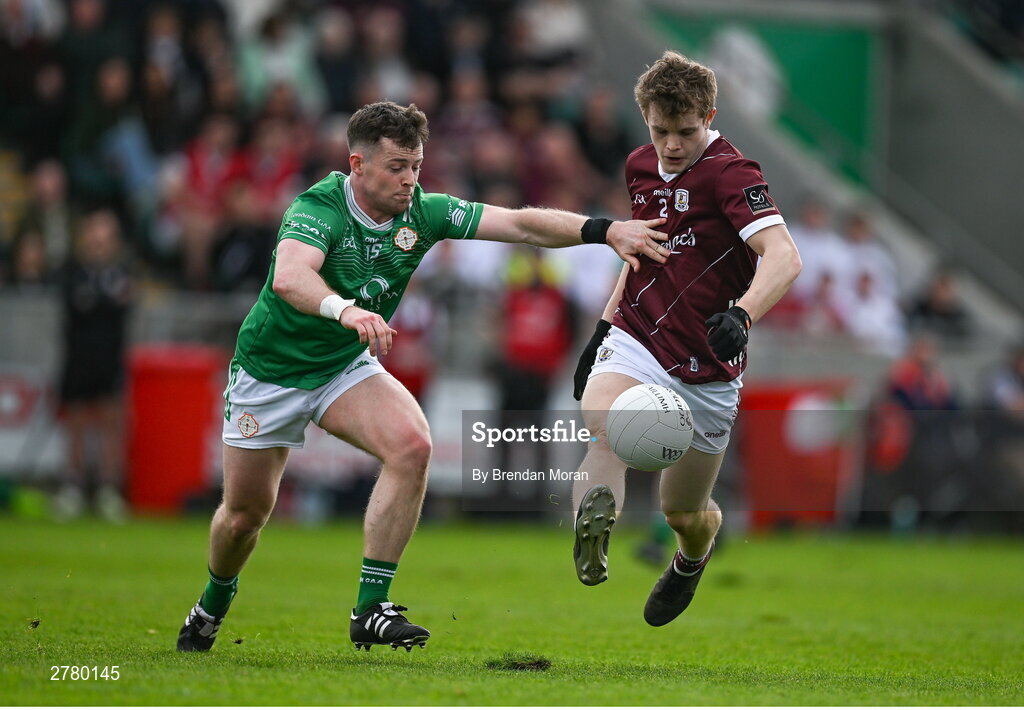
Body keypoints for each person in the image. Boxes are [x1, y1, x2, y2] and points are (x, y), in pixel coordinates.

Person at [176, 100, 670, 653]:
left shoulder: (423, 211)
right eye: (396, 168)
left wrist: (605, 231)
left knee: (412, 446)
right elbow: (291, 277)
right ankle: (211, 604)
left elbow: (520, 223)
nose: (410, 180)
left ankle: (371, 608)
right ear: (357, 164)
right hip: (271, 373)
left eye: (416, 165)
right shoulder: (317, 208)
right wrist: (346, 310)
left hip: (341, 366)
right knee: (245, 517)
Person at [569, 52, 801, 626]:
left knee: (683, 512)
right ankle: (590, 539)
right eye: (659, 130)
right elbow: (637, 250)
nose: (671, 145)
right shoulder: (639, 166)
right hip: (639, 336)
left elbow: (785, 257)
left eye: (685, 131)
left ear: (710, 116)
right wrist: (601, 329)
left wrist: (743, 315)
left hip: (710, 365)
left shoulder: (732, 173)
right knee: (603, 423)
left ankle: (692, 559)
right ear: (645, 118)